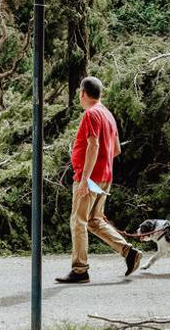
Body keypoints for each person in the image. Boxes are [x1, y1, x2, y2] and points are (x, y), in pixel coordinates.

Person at [56, 77, 142, 284]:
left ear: (83, 93)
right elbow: (116, 149)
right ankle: (128, 252)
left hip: (90, 178)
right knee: (93, 220)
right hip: (105, 177)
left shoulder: (91, 114)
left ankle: (80, 270)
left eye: (79, 92)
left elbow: (93, 146)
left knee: (78, 221)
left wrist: (85, 178)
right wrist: (99, 165)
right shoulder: (107, 114)